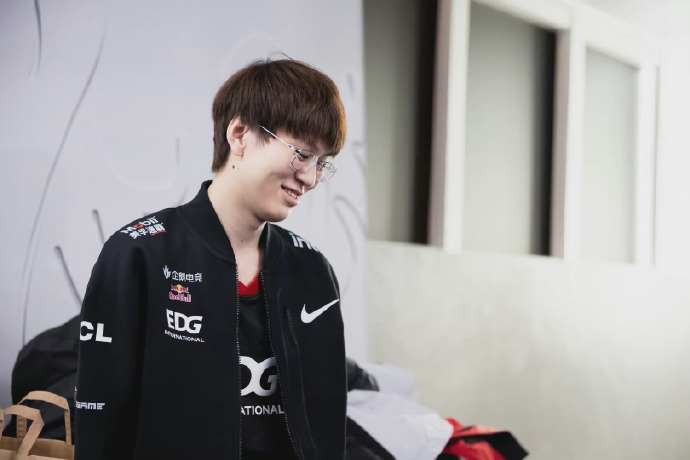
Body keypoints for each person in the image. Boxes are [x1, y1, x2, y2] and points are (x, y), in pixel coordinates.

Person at [75, 57, 348, 459]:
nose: (309, 178)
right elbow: (101, 423)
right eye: (302, 154)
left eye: (322, 164)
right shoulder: (138, 253)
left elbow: (326, 422)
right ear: (240, 134)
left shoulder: (312, 270)